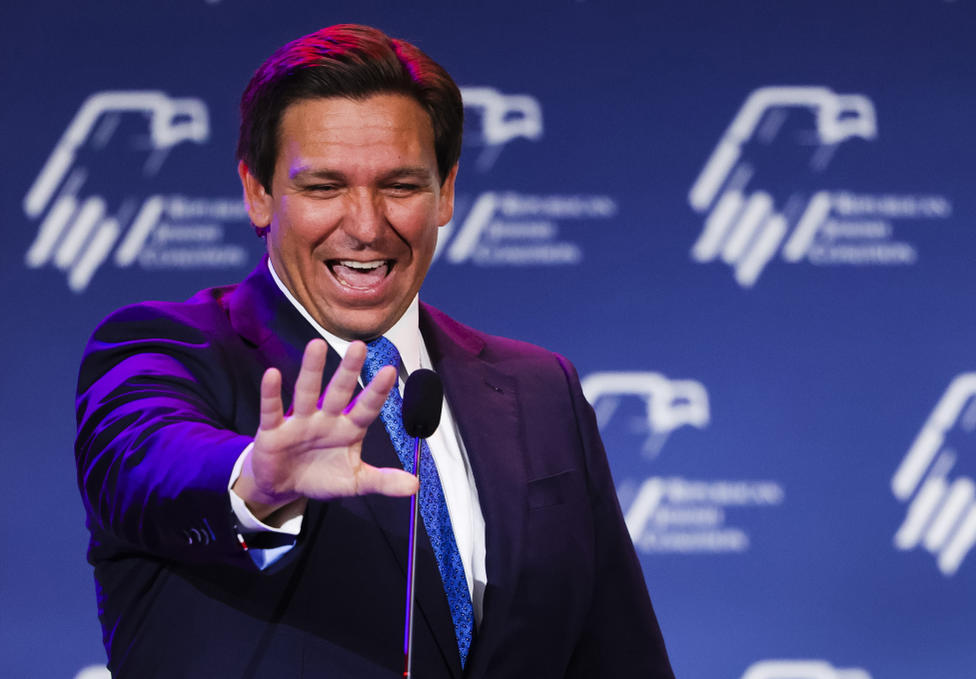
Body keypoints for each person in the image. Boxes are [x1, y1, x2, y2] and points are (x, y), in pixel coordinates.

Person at [75, 23, 673, 679]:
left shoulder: (540, 389)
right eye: (323, 187)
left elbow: (619, 652)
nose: (365, 226)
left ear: (445, 192)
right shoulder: (168, 347)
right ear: (258, 193)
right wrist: (255, 481)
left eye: (401, 186)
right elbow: (148, 464)